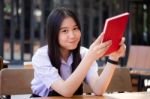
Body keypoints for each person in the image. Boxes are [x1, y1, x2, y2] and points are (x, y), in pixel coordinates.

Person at [31, 7, 126, 97]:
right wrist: (90, 57)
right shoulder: (42, 56)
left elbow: (98, 89)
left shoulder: (84, 53)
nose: (72, 35)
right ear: (53, 34)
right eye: (65, 31)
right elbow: (66, 91)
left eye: (75, 29)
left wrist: (114, 57)